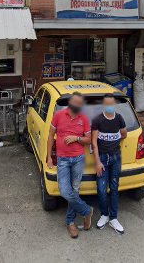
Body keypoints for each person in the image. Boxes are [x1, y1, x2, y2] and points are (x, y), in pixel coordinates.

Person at [47, 92, 93, 239]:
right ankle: (87, 211)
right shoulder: (59, 115)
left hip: (78, 159)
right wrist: (49, 157)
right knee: (65, 191)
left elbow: (89, 140)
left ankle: (70, 222)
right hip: (63, 159)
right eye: (75, 102)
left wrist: (77, 138)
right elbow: (50, 136)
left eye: (79, 103)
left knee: (75, 190)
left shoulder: (84, 119)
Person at [91, 95, 127, 234]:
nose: (110, 106)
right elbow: (94, 142)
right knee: (101, 189)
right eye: (107, 104)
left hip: (116, 157)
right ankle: (104, 215)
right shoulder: (97, 120)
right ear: (103, 105)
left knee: (114, 188)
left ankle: (113, 218)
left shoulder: (119, 118)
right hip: (102, 158)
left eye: (112, 104)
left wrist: (114, 141)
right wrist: (97, 162)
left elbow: (124, 134)